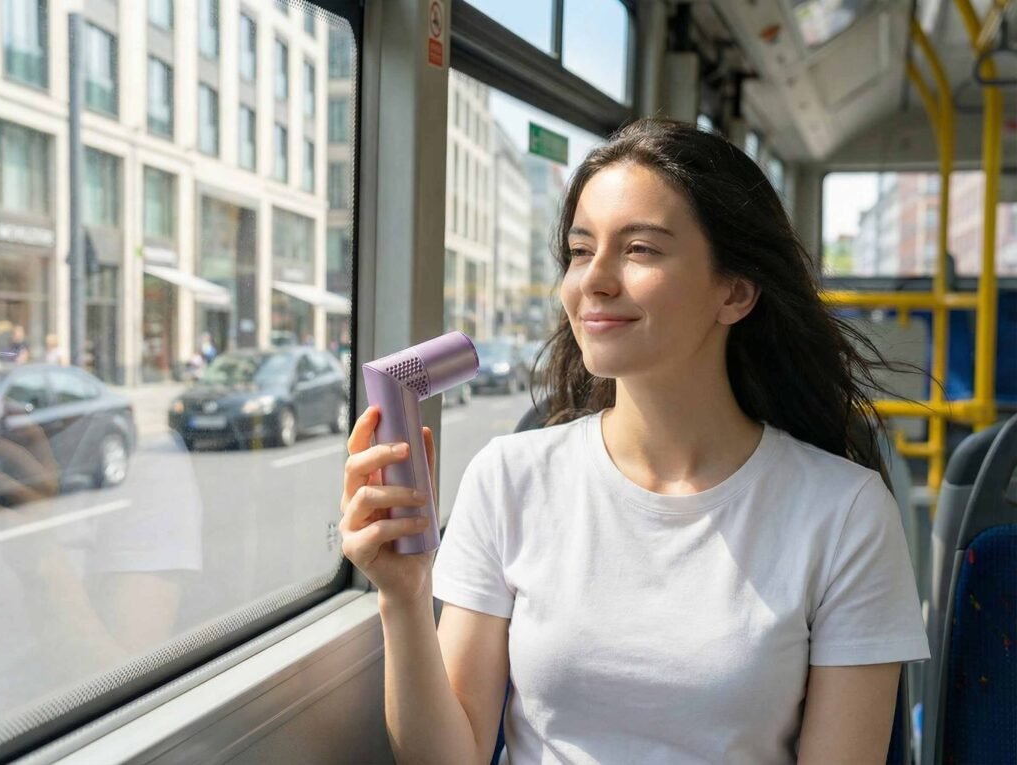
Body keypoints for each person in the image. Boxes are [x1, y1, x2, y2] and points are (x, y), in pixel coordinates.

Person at [340, 119, 929, 764]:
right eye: (580, 249)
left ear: (733, 292)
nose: (593, 279)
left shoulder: (844, 513)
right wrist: (402, 594)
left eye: (641, 249)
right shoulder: (509, 478)